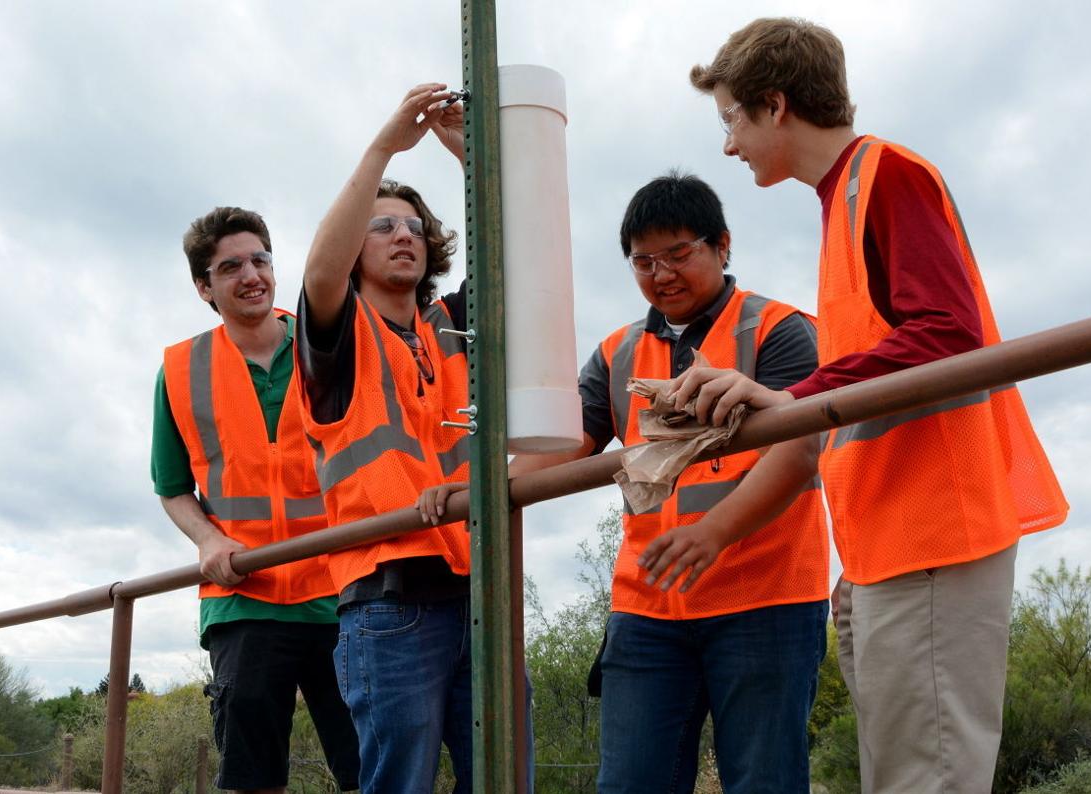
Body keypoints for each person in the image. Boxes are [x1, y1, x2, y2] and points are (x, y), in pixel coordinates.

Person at [645, 18, 1070, 793]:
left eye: (732, 119)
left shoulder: (885, 175)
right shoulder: (842, 198)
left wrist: (789, 397)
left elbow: (946, 333)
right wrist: (860, 559)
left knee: (924, 780)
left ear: (776, 105)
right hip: (892, 544)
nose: (729, 145)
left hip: (934, 539)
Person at [427, 172, 830, 792]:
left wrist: (713, 533)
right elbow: (566, 448)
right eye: (643, 261)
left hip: (766, 599)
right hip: (649, 606)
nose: (661, 273)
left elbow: (800, 451)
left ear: (722, 245)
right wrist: (474, 491)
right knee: (629, 782)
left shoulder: (776, 329)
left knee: (764, 781)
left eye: (678, 253)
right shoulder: (618, 352)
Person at [294, 83, 504, 794]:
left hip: (482, 595)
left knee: (505, 777)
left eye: (413, 225)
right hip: (391, 602)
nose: (404, 234)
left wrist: (474, 161)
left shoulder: (453, 327)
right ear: (357, 247)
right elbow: (320, 273)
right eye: (382, 226)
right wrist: (385, 146)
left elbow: (517, 251)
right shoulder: (338, 334)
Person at [152, 207, 360, 793]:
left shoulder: (329, 343)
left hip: (343, 588)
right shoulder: (179, 369)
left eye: (260, 260)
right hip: (242, 598)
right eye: (230, 267)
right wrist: (208, 539)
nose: (251, 275)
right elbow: (171, 487)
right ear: (204, 287)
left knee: (371, 767)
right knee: (251, 776)